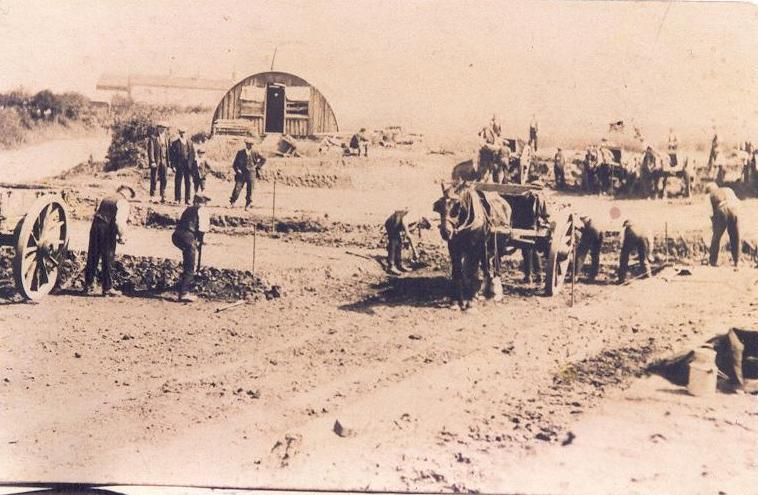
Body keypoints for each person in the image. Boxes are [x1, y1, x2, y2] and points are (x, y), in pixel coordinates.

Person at [83, 185, 135, 296]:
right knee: (108, 258)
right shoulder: (123, 202)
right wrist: (122, 236)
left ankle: (88, 286)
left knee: (93, 256)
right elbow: (119, 221)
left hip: (95, 227)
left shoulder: (107, 198)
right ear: (127, 194)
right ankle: (107, 288)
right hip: (107, 230)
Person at [172, 194, 211, 302]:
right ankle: (184, 293)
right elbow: (202, 228)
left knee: (187, 259)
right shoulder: (203, 210)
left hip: (176, 236)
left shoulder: (188, 209)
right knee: (190, 265)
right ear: (204, 202)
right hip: (188, 237)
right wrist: (200, 241)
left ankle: (183, 285)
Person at [384, 209, 430, 275]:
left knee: (399, 243)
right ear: (423, 222)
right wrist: (415, 251)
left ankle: (399, 264)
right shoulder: (415, 217)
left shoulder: (417, 221)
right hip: (392, 222)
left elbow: (412, 234)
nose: (421, 228)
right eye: (423, 226)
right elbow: (404, 221)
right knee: (393, 242)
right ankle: (391, 266)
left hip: (396, 224)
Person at [705, 183, 741, 267]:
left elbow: (710, 213)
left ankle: (712, 261)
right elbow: (738, 202)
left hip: (722, 209)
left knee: (716, 237)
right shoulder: (728, 189)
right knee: (735, 236)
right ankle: (737, 261)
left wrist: (715, 227)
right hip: (734, 209)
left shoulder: (709, 195)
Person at [230, 138, 266, 209]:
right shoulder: (240, 153)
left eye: (251, 144)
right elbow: (235, 164)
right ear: (246, 144)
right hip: (241, 174)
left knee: (250, 190)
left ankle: (248, 204)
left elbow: (264, 159)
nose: (250, 146)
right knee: (237, 188)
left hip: (251, 173)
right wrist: (238, 170)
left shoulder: (255, 152)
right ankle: (233, 202)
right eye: (248, 144)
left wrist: (257, 166)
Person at [146, 122, 169, 203]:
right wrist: (152, 161)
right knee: (154, 178)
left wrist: (168, 162)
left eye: (164, 127)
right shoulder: (153, 138)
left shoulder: (166, 137)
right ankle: (153, 196)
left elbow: (167, 150)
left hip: (164, 161)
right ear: (158, 128)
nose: (163, 129)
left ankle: (163, 196)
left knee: (164, 179)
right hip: (156, 161)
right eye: (161, 127)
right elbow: (150, 150)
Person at [170, 128, 194, 205]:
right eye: (181, 132)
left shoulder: (190, 142)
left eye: (184, 132)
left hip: (188, 165)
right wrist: (173, 166)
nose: (183, 134)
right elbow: (172, 156)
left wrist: (192, 165)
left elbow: (192, 155)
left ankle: (188, 199)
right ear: (179, 133)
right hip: (179, 165)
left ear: (186, 133)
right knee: (178, 182)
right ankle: (177, 199)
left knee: (188, 182)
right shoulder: (175, 143)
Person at [575, 216, 603, 281]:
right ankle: (592, 275)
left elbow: (587, 233)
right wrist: (580, 229)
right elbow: (586, 230)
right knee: (594, 257)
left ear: (587, 219)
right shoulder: (589, 223)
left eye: (583, 220)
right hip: (594, 237)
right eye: (581, 220)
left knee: (581, 255)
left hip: (596, 240)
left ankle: (577, 275)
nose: (582, 221)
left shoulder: (591, 227)